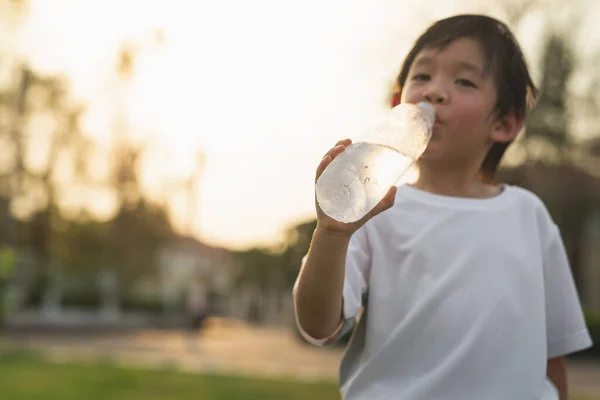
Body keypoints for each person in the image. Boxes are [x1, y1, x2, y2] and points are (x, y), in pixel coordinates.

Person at [293, 14, 593, 400]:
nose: (435, 92)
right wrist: (331, 235)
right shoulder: (375, 211)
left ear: (504, 123)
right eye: (422, 77)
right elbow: (318, 326)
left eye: (464, 81)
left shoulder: (528, 216)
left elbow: (553, 352)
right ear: (397, 103)